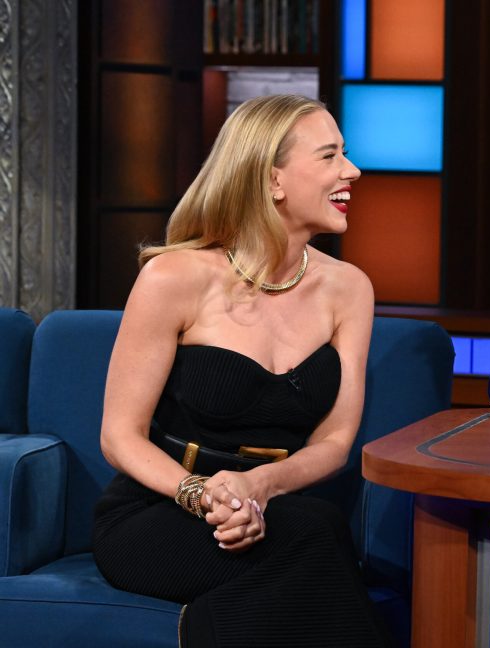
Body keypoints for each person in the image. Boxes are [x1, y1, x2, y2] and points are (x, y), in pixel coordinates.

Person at [91, 94, 391, 646]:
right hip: (159, 510)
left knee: (312, 530)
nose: (352, 171)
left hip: (272, 508)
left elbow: (335, 443)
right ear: (273, 180)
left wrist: (258, 486)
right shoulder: (174, 277)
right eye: (329, 156)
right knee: (318, 535)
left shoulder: (349, 289)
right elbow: (119, 435)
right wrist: (202, 493)